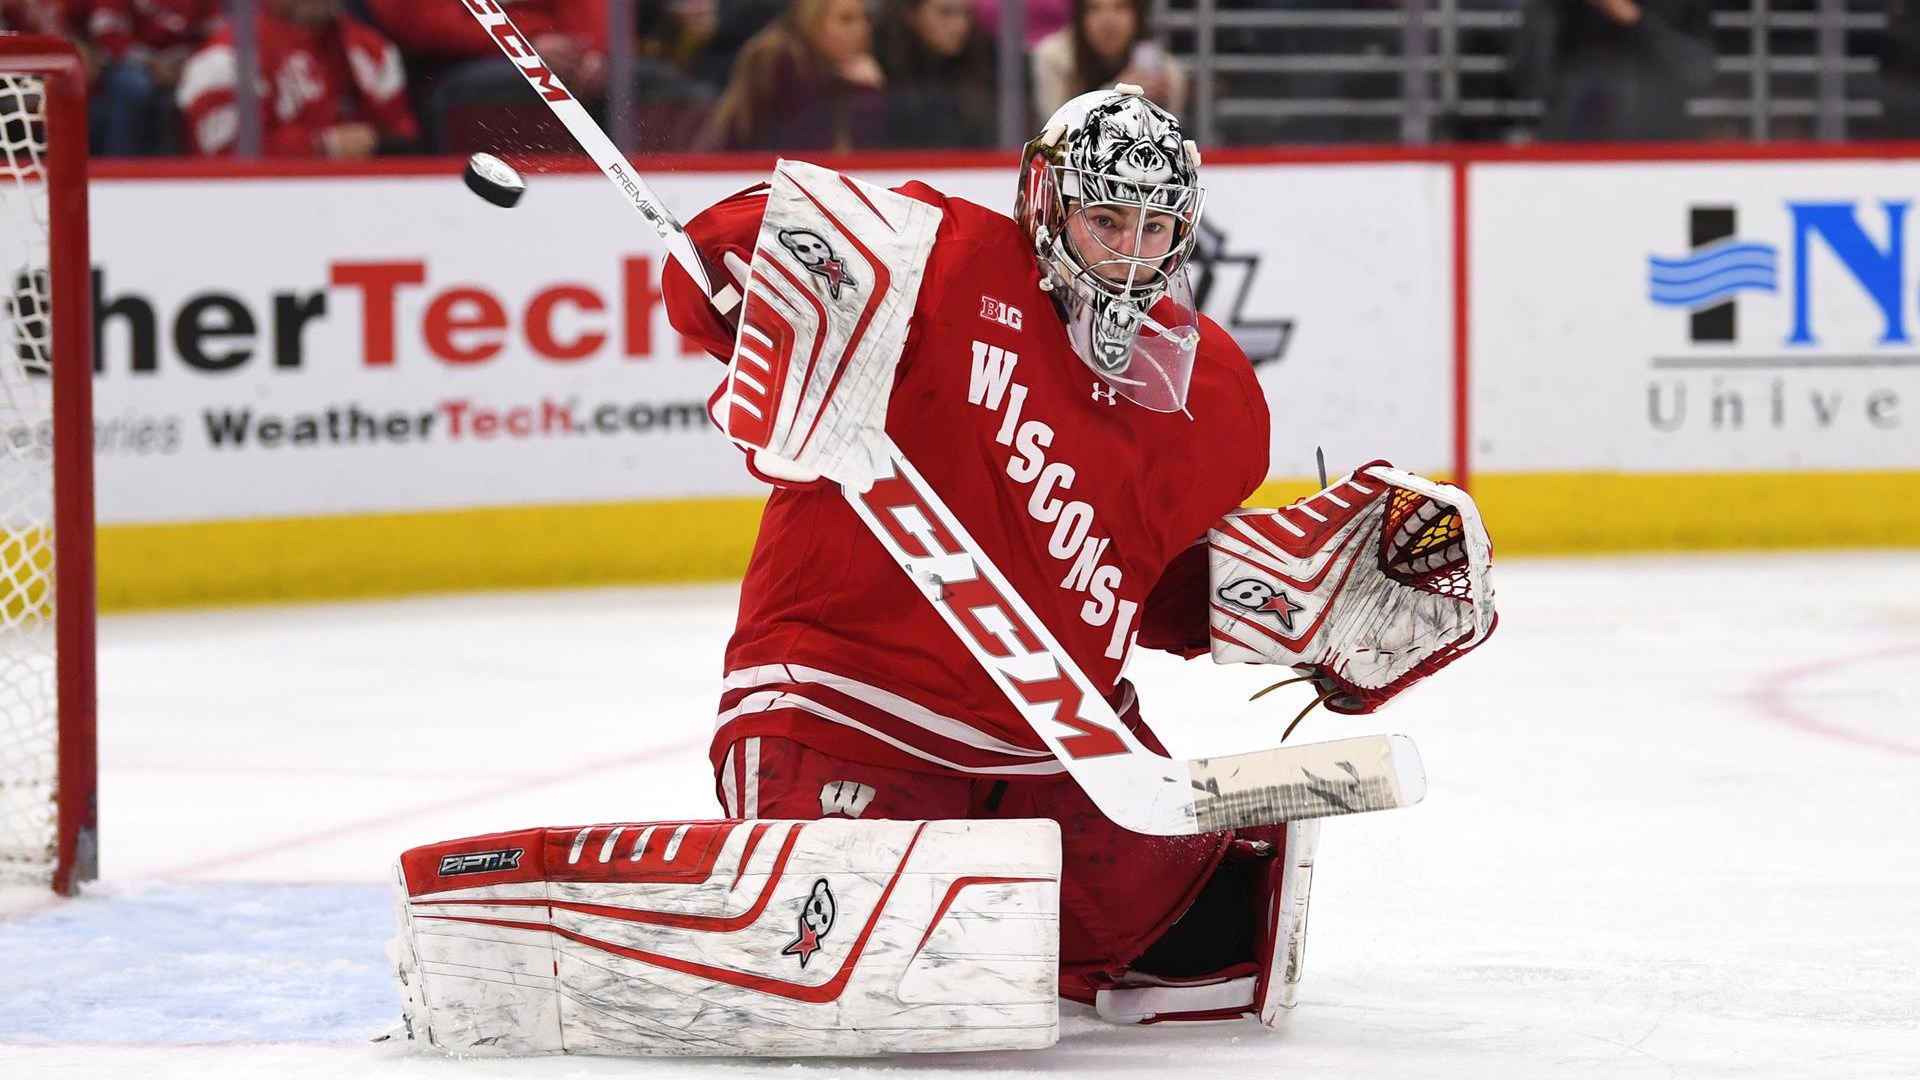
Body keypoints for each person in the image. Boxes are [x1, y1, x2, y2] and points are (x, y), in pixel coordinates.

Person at [664, 87, 1280, 1015]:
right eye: (1104, 217)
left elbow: (1150, 588)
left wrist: (1295, 602)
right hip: (851, 712)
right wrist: (752, 270)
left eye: (1155, 227)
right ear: (1045, 200)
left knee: (1222, 944)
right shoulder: (932, 262)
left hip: (1059, 748)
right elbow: (713, 263)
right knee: (850, 971)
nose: (1129, 252)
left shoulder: (1213, 395)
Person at [175, 0, 419, 157]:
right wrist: (322, 147)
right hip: (259, 215)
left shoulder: (371, 50)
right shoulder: (223, 59)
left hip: (364, 207)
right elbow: (227, 158)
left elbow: (400, 142)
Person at [700, 0, 886, 151]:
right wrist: (867, 92)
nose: (862, 30)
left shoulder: (834, 70)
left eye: (865, 18)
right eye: (846, 20)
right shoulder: (780, 60)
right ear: (811, 20)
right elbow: (811, 148)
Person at [82, 0, 220, 155]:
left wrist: (192, 66)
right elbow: (107, 34)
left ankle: (204, 169)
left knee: (215, 79)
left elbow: (214, 34)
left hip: (185, 64)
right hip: (131, 63)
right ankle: (123, 166)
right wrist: (149, 63)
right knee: (134, 86)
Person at [1031, 0, 1186, 120]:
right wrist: (1117, 96)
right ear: (1079, 18)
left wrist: (1160, 107)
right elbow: (1058, 129)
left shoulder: (1166, 70)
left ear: (1137, 15)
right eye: (1094, 9)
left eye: (1120, 7)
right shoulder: (1052, 59)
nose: (1108, 21)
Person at [875, 0, 997, 148]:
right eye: (945, 13)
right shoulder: (880, 65)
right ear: (911, 14)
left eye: (966, 14)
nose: (960, 26)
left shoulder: (989, 61)